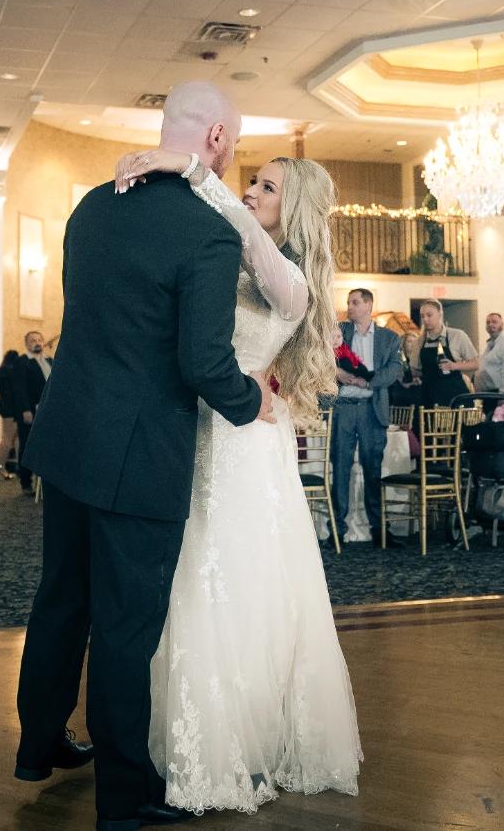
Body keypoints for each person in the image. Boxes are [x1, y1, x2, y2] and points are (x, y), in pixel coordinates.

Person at [12, 80, 272, 831]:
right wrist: (255, 403)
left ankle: (38, 744)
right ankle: (125, 799)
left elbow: (89, 323)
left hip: (66, 440)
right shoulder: (207, 232)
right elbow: (203, 364)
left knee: (61, 597)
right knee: (125, 628)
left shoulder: (91, 207)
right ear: (218, 137)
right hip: (139, 457)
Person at [114, 141, 361, 814]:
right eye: (251, 182)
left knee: (229, 585)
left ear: (298, 212)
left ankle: (231, 746)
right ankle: (168, 740)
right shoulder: (227, 259)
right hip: (193, 433)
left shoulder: (291, 282)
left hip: (244, 448)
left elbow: (249, 238)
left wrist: (193, 169)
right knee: (182, 578)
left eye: (268, 187)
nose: (252, 193)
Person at [332, 287, 404, 547]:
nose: (349, 307)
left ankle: (378, 530)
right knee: (339, 467)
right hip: (344, 408)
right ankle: (336, 531)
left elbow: (395, 369)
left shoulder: (389, 338)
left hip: (372, 410)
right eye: (348, 302)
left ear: (368, 305)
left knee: (373, 469)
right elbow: (324, 356)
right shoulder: (340, 331)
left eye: (354, 302)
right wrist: (339, 373)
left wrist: (368, 382)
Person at [413, 299, 477, 408]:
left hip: (454, 394)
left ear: (440, 314)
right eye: (422, 316)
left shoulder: (457, 335)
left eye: (429, 315)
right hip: (429, 394)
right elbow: (415, 370)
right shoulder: (419, 341)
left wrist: (455, 366)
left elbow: (475, 364)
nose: (425, 319)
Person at [14, 331, 50, 495]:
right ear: (26, 344)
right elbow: (19, 388)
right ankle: (26, 482)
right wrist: (25, 409)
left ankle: (47, 483)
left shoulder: (50, 361)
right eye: (32, 340)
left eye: (39, 340)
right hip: (30, 411)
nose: (37, 342)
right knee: (27, 446)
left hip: (49, 413)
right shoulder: (22, 362)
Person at [0, 349, 27, 481]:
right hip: (12, 410)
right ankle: (0, 465)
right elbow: (15, 392)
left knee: (15, 439)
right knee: (9, 439)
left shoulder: (1, 371)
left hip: (6, 408)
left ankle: (15, 466)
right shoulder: (11, 372)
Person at [475, 312, 504, 393]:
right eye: (488, 322)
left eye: (494, 322)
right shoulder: (490, 344)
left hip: (499, 393)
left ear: (502, 324)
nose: (490, 324)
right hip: (487, 392)